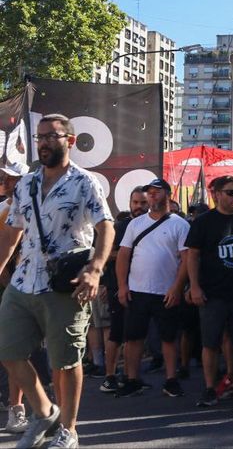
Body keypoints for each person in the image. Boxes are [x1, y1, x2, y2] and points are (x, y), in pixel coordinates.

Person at [0, 114, 115, 449]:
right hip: (23, 281)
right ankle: (45, 412)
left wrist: (95, 268)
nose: (44, 142)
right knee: (7, 349)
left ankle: (69, 429)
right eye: (40, 137)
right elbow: (11, 232)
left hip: (65, 284)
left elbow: (106, 226)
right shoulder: (27, 183)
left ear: (71, 141)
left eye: (52, 136)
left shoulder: (85, 182)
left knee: (65, 362)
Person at [185, 175, 233, 408]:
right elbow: (192, 255)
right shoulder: (203, 222)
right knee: (210, 343)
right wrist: (195, 286)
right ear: (217, 195)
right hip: (213, 293)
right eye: (231, 193)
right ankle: (210, 389)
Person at [114, 179, 190, 398]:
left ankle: (171, 379)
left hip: (166, 291)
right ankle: (132, 379)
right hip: (137, 291)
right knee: (133, 337)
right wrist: (122, 286)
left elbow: (187, 259)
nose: (152, 196)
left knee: (168, 338)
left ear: (168, 193)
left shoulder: (180, 224)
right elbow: (123, 255)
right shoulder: (135, 224)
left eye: (157, 192)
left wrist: (177, 287)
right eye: (150, 192)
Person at [99, 188, 148, 394]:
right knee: (116, 332)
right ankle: (109, 376)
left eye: (142, 203)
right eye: (135, 202)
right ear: (129, 203)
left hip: (141, 287)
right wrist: (127, 252)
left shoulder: (151, 224)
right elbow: (105, 253)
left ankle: (130, 376)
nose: (138, 207)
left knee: (134, 335)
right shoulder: (120, 226)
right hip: (117, 286)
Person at [1, 161, 31, 435]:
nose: (6, 182)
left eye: (12, 178)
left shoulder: (32, 206)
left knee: (17, 351)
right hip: (7, 284)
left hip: (26, 285)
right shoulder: (3, 208)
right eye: (5, 178)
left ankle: (17, 410)